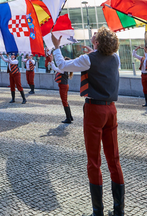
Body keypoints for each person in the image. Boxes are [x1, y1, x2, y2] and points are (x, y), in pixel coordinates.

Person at [52, 28, 124, 216]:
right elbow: (103, 60)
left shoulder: (88, 59)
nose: (93, 36)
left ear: (98, 42)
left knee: (94, 161)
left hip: (94, 109)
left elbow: (61, 65)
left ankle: (97, 211)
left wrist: (56, 47)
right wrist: (92, 51)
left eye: (95, 36)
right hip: (111, 109)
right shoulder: (115, 58)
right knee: (114, 160)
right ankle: (119, 210)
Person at [51, 58, 73, 124]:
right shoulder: (65, 69)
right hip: (64, 85)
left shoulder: (63, 69)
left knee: (64, 101)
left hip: (63, 86)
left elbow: (54, 68)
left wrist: (52, 60)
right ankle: (70, 116)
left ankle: (68, 118)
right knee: (65, 101)